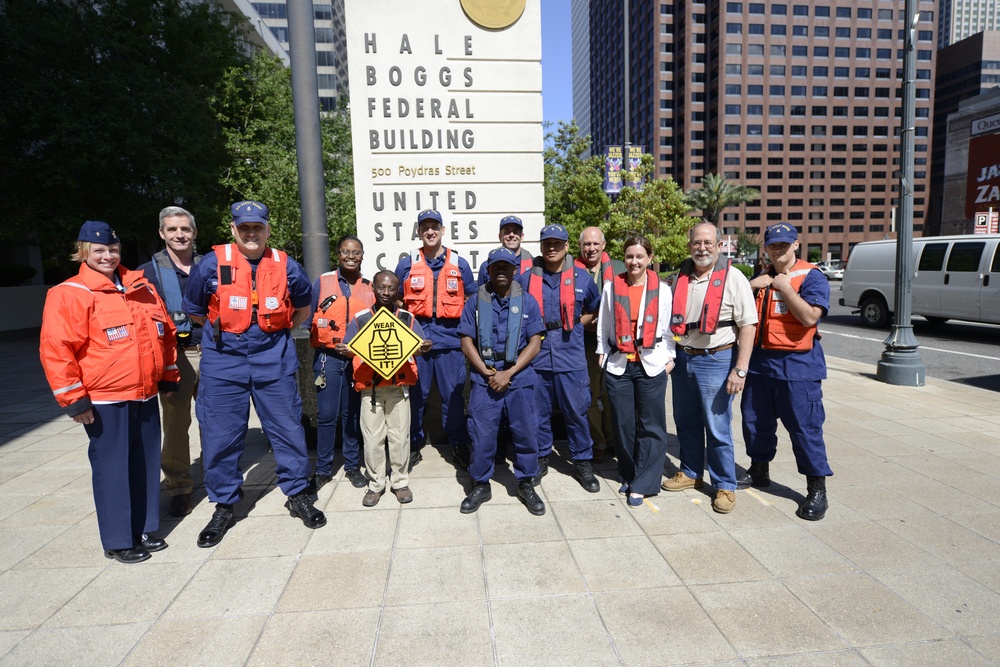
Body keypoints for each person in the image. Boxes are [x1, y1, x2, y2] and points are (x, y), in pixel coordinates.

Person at [183, 201, 325, 548]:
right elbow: (196, 311)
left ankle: (297, 493)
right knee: (220, 436)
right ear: (233, 230)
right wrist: (228, 331)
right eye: (244, 227)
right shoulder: (211, 264)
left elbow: (303, 307)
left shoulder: (286, 265)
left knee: (288, 430)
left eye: (257, 227)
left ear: (267, 230)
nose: (251, 233)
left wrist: (272, 331)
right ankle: (225, 503)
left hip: (272, 359)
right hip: (223, 361)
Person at [40, 221, 179, 564]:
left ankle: (144, 528)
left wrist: (168, 374)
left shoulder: (141, 286)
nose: (107, 256)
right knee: (113, 468)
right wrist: (74, 400)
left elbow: (165, 333)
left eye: (113, 250)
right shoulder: (69, 293)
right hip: (105, 400)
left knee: (144, 464)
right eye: (98, 251)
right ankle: (118, 540)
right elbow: (56, 349)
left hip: (144, 393)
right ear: (84, 252)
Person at [661, 221, 757, 514]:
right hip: (683, 357)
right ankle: (690, 472)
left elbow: (748, 325)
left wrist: (740, 369)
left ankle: (725, 484)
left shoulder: (734, 278)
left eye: (708, 243)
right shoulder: (680, 277)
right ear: (689, 246)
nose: (702, 248)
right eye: (696, 243)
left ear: (719, 246)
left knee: (717, 427)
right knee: (686, 421)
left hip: (717, 359)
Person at [739, 223, 833, 521]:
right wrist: (754, 285)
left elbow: (809, 317)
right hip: (760, 364)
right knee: (755, 423)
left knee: (805, 430)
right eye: (773, 244)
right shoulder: (759, 277)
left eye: (784, 244)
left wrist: (784, 287)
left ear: (796, 244)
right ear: (766, 247)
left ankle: (816, 488)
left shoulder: (812, 277)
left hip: (798, 367)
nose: (778, 248)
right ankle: (759, 469)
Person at [458, 248, 545, 514]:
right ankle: (481, 484)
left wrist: (509, 372)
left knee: (526, 432)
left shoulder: (527, 301)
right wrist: (485, 371)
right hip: (484, 378)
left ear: (514, 269)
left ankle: (526, 482)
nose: (501, 271)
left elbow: (535, 343)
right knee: (482, 436)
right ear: (489, 269)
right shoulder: (474, 302)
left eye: (506, 267)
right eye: (496, 267)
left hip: (519, 377)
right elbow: (465, 341)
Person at [517, 223, 602, 492]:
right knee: (537, 414)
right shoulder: (526, 279)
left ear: (566, 246)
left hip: (571, 357)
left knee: (577, 412)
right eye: (547, 244)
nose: (552, 248)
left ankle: (582, 461)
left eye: (557, 243)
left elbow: (595, 307)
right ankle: (542, 457)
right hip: (537, 358)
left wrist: (577, 322)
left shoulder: (582, 278)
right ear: (541, 247)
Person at [596, 236, 675, 508]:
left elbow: (668, 330)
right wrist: (601, 354)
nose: (634, 262)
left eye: (640, 256)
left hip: (651, 364)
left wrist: (670, 359)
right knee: (623, 425)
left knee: (651, 426)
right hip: (619, 364)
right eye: (630, 256)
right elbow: (604, 325)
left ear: (650, 258)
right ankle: (629, 474)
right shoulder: (611, 287)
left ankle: (644, 483)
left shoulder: (663, 291)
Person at [340, 271, 431, 507]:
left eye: (391, 288)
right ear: (374, 289)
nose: (386, 292)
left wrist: (423, 347)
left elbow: (418, 346)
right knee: (372, 439)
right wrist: (346, 350)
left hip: (398, 388)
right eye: (382, 287)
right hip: (370, 389)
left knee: (400, 437)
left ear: (397, 290)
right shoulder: (360, 319)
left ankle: (400, 482)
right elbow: (350, 348)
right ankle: (376, 484)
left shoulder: (407, 318)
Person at [394, 209, 476, 468]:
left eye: (434, 227)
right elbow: (395, 299)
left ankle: (459, 445)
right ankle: (414, 445)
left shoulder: (459, 264)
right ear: (419, 232)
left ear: (442, 230)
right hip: (416, 345)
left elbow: (472, 299)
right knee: (415, 398)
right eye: (424, 227)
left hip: (450, 342)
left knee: (453, 397)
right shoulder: (406, 263)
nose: (430, 231)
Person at [138, 206, 202, 518]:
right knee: (176, 426)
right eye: (172, 230)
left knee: (219, 422)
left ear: (194, 233)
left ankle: (220, 478)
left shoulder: (212, 266)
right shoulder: (147, 273)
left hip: (215, 353)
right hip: (175, 356)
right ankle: (179, 486)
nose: (180, 235)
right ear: (162, 234)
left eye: (185, 229)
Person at [308, 234, 374, 491]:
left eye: (356, 252)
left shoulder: (369, 287)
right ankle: (323, 469)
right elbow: (306, 317)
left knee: (352, 415)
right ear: (338, 254)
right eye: (346, 251)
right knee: (326, 416)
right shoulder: (322, 282)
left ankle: (351, 466)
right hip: (328, 358)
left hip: (358, 360)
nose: (350, 256)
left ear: (362, 256)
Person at [576, 226, 625, 462]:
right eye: (586, 244)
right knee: (591, 393)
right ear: (579, 246)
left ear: (603, 245)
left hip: (614, 342)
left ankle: (614, 439)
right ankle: (598, 442)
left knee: (612, 392)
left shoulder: (619, 268)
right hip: (583, 342)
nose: (591, 248)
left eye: (596, 244)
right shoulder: (570, 271)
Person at [476, 215, 534, 285]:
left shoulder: (534, 265)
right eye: (507, 231)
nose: (511, 235)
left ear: (522, 236)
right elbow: (481, 294)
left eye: (515, 231)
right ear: (500, 237)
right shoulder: (486, 266)